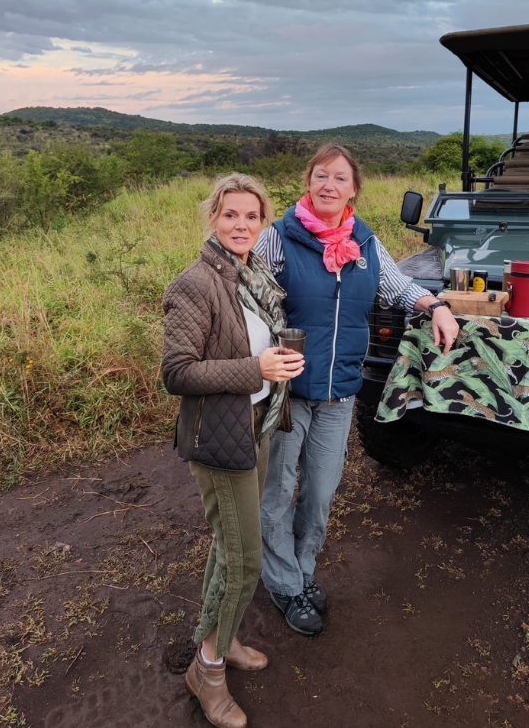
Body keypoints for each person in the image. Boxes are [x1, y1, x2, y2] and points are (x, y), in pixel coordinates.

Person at [256, 144, 460, 637]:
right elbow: (239, 290)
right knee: (277, 491)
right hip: (287, 391)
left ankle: (303, 569)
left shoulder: (365, 244)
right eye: (320, 175)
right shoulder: (278, 238)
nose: (329, 185)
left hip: (339, 393)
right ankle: (283, 583)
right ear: (308, 182)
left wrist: (437, 307)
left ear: (354, 190)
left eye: (340, 178)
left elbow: (399, 287)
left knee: (320, 493)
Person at [161, 173, 304, 728]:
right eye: (230, 215)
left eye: (251, 216)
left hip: (256, 423)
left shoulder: (253, 275)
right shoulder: (195, 284)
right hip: (220, 435)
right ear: (212, 218)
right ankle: (208, 670)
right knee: (245, 560)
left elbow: (256, 347)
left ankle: (225, 636)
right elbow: (177, 372)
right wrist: (255, 369)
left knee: (231, 550)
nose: (241, 225)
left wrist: (276, 368)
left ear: (263, 222)